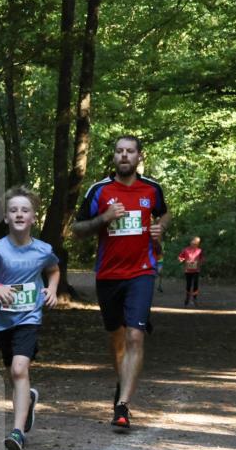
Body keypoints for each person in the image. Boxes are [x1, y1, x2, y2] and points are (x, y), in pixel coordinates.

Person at [70, 135, 171, 430]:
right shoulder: (99, 190)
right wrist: (104, 218)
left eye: (130, 151)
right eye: (119, 151)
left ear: (139, 156)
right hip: (108, 274)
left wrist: (160, 227)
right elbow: (77, 230)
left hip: (142, 272)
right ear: (114, 157)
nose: (124, 155)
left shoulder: (151, 188)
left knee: (135, 335)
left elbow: (165, 212)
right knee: (117, 337)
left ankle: (123, 404)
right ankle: (122, 383)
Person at [0, 187, 59, 450]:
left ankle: (17, 432)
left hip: (29, 317)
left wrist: (52, 289)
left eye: (25, 210)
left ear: (34, 217)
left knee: (19, 369)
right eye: (13, 210)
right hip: (4, 321)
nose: (19, 214)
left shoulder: (43, 250)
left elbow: (53, 270)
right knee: (14, 374)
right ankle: (28, 401)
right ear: (6, 217)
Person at [178, 236, 204, 307]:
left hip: (196, 270)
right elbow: (180, 257)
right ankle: (187, 298)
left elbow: (202, 258)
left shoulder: (199, 250)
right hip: (188, 270)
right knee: (188, 284)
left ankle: (195, 298)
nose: (195, 244)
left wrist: (200, 262)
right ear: (191, 242)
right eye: (194, 243)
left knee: (195, 284)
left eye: (197, 243)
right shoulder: (186, 250)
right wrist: (181, 259)